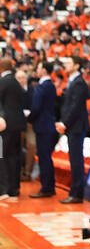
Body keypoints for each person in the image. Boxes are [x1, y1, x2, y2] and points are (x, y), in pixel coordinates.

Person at [57, 57, 89, 204]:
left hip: (76, 127)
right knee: (74, 159)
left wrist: (65, 123)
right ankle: (75, 191)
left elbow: (75, 107)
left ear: (76, 66)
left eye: (69, 63)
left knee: (76, 160)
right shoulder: (73, 82)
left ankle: (77, 193)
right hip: (73, 127)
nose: (66, 65)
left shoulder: (79, 83)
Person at [29, 60, 59, 197]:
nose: (37, 69)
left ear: (44, 71)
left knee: (44, 157)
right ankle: (48, 186)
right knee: (46, 157)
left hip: (43, 126)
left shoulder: (43, 86)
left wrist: (29, 119)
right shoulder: (50, 85)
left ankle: (47, 187)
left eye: (39, 67)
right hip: (48, 124)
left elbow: (36, 107)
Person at [0, 56, 27, 201]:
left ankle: (4, 189)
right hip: (18, 124)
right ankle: (14, 188)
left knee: (3, 156)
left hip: (5, 125)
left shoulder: (2, 81)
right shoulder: (17, 82)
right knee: (15, 156)